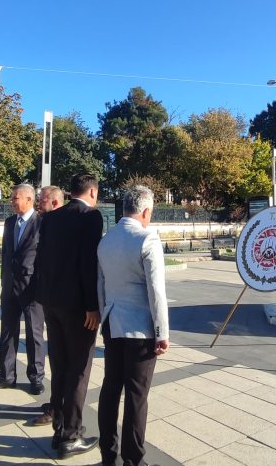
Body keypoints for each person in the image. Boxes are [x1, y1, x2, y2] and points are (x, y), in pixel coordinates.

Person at [96, 185, 170, 466]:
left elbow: (100, 284)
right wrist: (162, 332)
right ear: (146, 210)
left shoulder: (106, 240)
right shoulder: (147, 238)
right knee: (137, 396)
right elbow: (156, 291)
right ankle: (133, 459)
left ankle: (107, 454)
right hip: (140, 329)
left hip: (112, 324)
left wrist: (104, 316)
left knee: (110, 389)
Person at [33, 173, 103, 459]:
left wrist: (44, 297)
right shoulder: (91, 217)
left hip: (52, 304)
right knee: (78, 370)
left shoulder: (49, 218)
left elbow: (41, 260)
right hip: (78, 308)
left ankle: (59, 428)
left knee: (60, 366)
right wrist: (92, 305)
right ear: (93, 192)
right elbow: (88, 263)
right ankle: (70, 436)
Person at [0, 184, 46, 395]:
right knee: (8, 332)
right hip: (9, 287)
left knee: (34, 333)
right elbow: (6, 253)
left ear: (29, 199)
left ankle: (36, 377)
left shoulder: (41, 223)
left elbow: (45, 258)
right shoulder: (10, 222)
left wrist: (40, 286)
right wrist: (4, 281)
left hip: (31, 288)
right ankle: (6, 376)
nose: (11, 202)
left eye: (15, 198)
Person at [28, 184, 65, 427]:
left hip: (62, 302)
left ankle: (59, 410)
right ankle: (56, 402)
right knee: (57, 359)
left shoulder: (60, 226)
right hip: (48, 298)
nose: (38, 204)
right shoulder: (45, 222)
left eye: (41, 200)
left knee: (63, 361)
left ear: (53, 202)